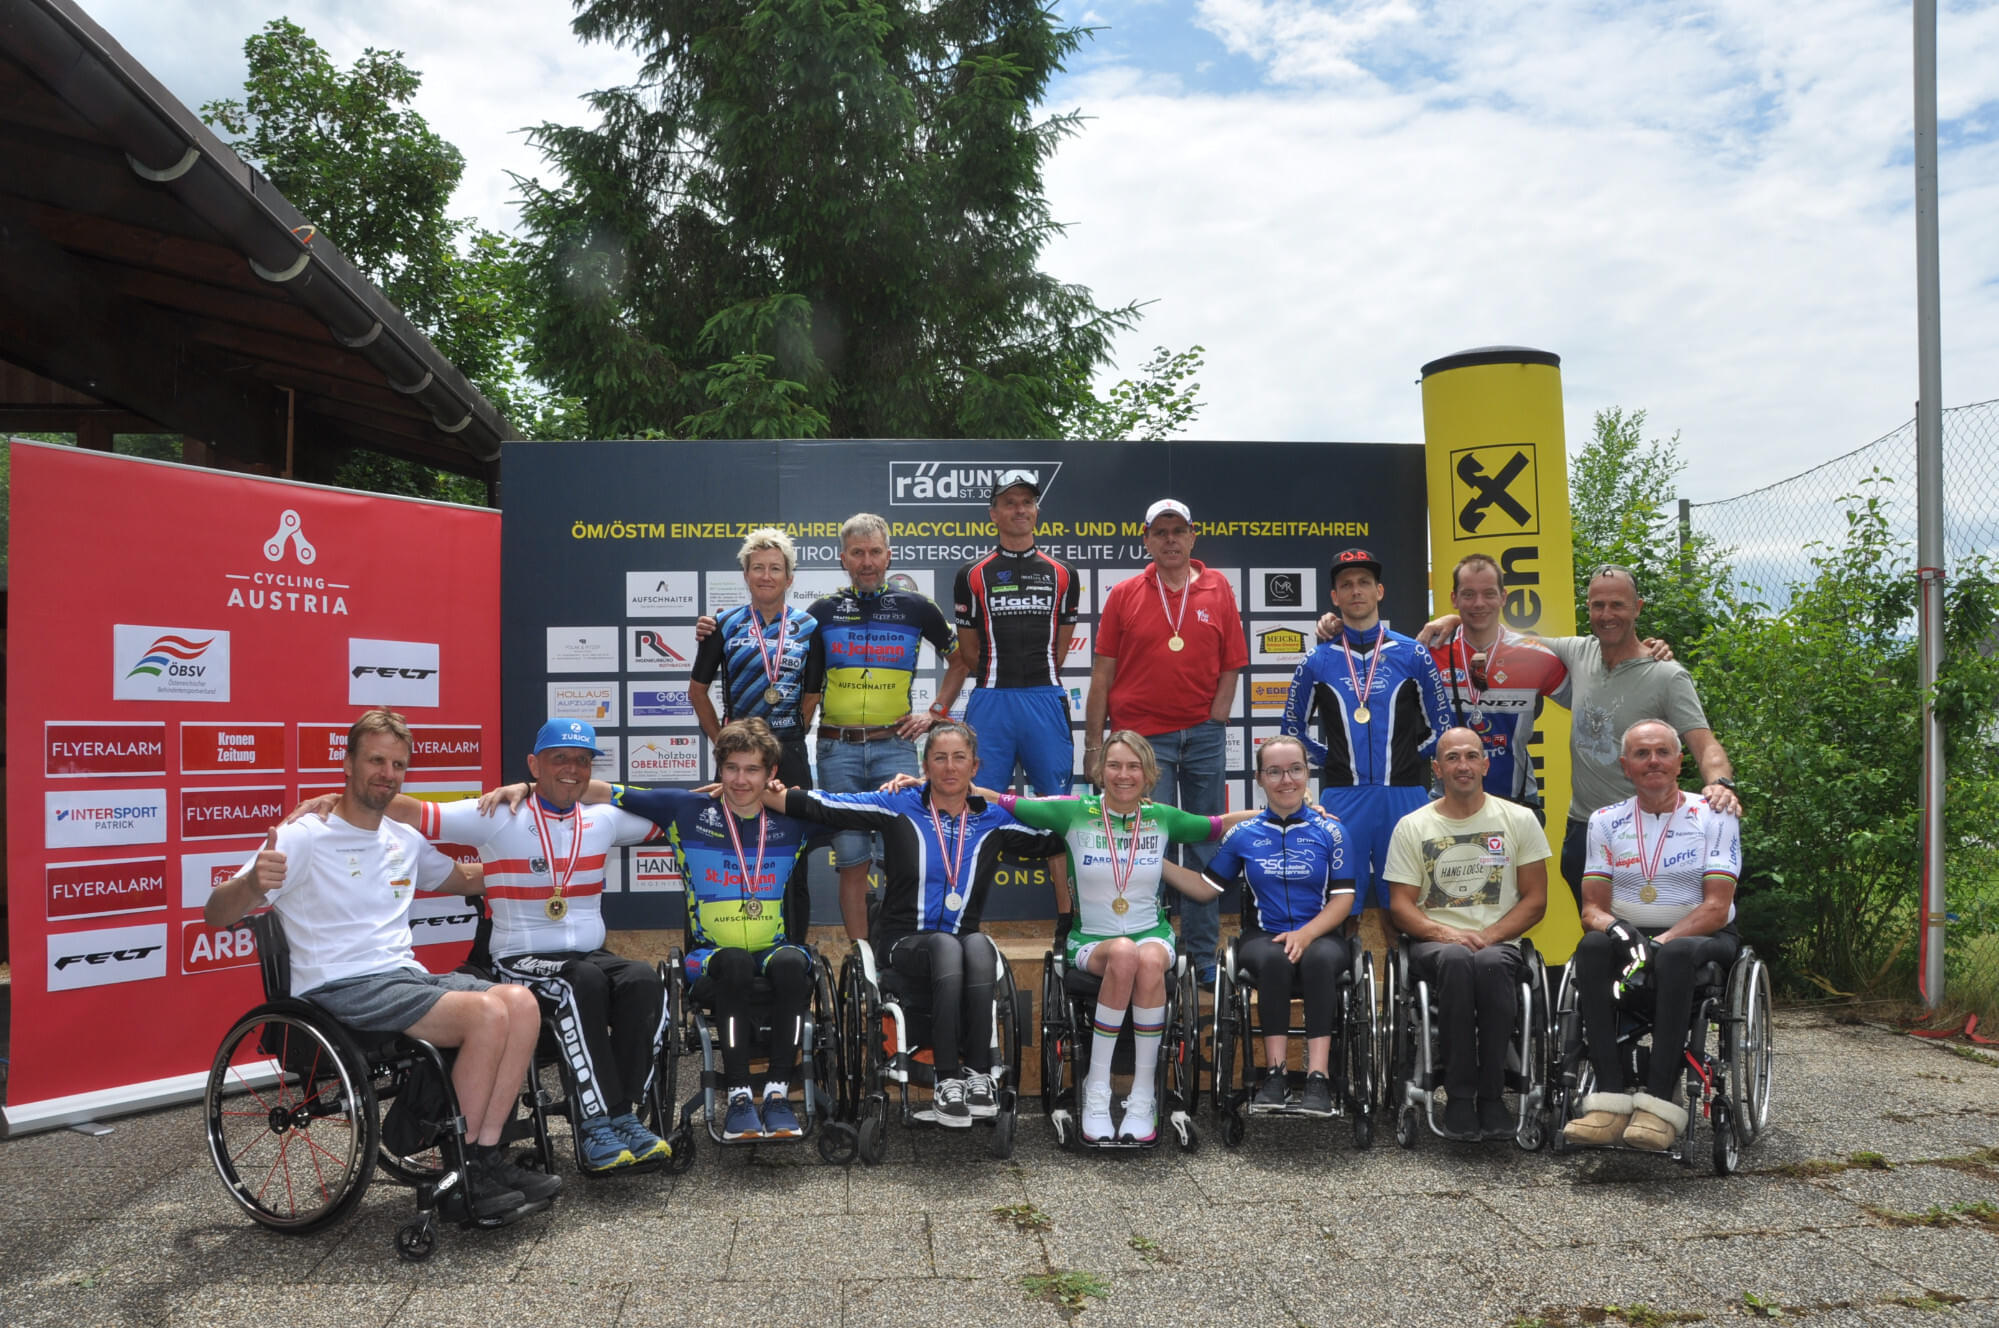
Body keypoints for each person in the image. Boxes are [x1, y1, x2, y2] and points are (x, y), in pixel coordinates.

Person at [206, 709, 553, 1218]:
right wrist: (254, 883)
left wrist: (534, 858)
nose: (386, 774)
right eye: (375, 760)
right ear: (347, 763)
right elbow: (216, 914)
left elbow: (462, 878)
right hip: (336, 988)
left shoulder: (401, 837)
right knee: (486, 1013)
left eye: (397, 764)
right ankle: (459, 1174)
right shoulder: (305, 834)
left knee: (521, 1004)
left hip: (401, 978)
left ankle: (482, 1156)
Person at [341, 717, 676, 1173]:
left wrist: (594, 788)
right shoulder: (497, 815)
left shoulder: (605, 819)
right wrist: (334, 801)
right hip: (520, 960)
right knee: (583, 982)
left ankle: (627, 1118)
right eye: (560, 759)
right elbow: (413, 811)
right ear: (534, 763)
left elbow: (679, 811)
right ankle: (597, 1124)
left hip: (588, 956)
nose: (572, 769)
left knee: (641, 979)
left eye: (581, 761)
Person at [775, 721, 1063, 1127]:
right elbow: (829, 805)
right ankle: (948, 1082)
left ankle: (978, 1077)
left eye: (959, 758)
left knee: (980, 944)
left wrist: (1106, 811)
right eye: (939, 758)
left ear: (974, 766)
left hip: (963, 944)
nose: (949, 767)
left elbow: (1059, 829)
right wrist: (771, 793)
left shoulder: (993, 819)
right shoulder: (900, 804)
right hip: (902, 942)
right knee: (948, 945)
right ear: (925, 765)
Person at [1417, 564, 1740, 908]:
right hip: (1585, 828)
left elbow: (1706, 746)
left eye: (1617, 605)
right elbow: (1494, 635)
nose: (1606, 614)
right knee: (1598, 937)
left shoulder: (1667, 675)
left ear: (1638, 608)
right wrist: (1453, 621)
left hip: (1651, 827)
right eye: (1598, 605)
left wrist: (1720, 784)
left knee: (1651, 924)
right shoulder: (1576, 652)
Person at [981, 731, 1245, 1143]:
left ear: (1149, 774)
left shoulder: (1161, 817)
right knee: (1125, 953)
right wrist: (928, 785)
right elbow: (998, 799)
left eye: (1134, 766)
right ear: (1100, 772)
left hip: (1152, 936)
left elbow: (1215, 826)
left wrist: (1292, 807)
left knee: (1150, 957)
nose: (1124, 775)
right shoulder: (1074, 812)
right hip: (1092, 941)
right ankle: (1097, 1088)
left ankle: (1143, 1095)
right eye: (1115, 765)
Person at [599, 719, 830, 1141]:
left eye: (753, 770)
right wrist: (527, 788)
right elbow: (606, 791)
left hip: (772, 950)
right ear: (719, 769)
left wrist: (796, 800)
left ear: (771, 774)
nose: (741, 780)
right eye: (732, 768)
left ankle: (777, 1093)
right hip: (707, 960)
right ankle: (740, 1095)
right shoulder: (685, 809)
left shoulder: (793, 819)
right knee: (737, 964)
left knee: (796, 962)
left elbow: (861, 811)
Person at [1084, 497, 1246, 983]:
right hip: (1142, 739)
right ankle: (1147, 949)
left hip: (1203, 735)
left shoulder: (1218, 588)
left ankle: (1200, 961)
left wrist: (1214, 721)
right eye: (1161, 531)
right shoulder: (1125, 594)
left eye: (1179, 531)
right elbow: (1102, 671)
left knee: (1201, 846)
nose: (1170, 539)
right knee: (1144, 844)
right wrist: (1096, 745)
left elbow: (1232, 663)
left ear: (1193, 536)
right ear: (1147, 539)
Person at [1563, 719, 1743, 1151]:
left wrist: (1657, 945)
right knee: (1590, 947)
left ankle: (1659, 1103)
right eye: (1641, 755)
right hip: (1630, 934)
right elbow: (1592, 909)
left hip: (1701, 936)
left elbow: (1717, 906)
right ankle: (1607, 1100)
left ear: (1680, 761)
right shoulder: (1605, 820)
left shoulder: (1715, 815)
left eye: (1663, 752)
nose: (1653, 762)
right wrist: (1620, 932)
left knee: (1676, 955)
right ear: (1626, 766)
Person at [1383, 727, 1551, 1141]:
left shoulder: (1518, 819)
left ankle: (1492, 1096)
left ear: (1485, 764)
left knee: (1490, 963)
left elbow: (1535, 900)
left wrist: (1491, 934)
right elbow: (1401, 906)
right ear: (1437, 769)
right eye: (1453, 758)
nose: (1464, 765)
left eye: (1472, 756)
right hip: (1436, 946)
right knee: (1457, 959)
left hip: (1498, 945)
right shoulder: (1412, 826)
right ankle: (1459, 1096)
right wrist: (1445, 933)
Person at [1282, 547, 1455, 923]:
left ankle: (1411, 980)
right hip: (1343, 799)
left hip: (1405, 796)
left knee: (1412, 905)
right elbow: (1291, 734)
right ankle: (1343, 978)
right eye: (1346, 585)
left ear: (1379, 591)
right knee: (1342, 907)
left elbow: (1445, 729)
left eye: (1364, 583)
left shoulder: (1414, 654)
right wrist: (1328, 758)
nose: (1355, 591)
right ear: (1335, 597)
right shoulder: (1317, 661)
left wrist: (1412, 756)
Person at [1201, 735, 1356, 1118]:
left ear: (1307, 773)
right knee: (1274, 960)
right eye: (1274, 771)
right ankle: (1275, 1075)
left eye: (1295, 769)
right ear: (1259, 778)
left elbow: (1343, 900)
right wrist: (1154, 865)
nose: (1286, 779)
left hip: (1322, 935)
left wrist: (1306, 933)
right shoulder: (1244, 834)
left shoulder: (1332, 830)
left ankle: (1318, 1077)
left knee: (1318, 958)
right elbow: (1205, 888)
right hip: (1263, 936)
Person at [951, 469, 1080, 915]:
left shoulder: (1063, 574)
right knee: (973, 810)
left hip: (1045, 697)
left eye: (1027, 502)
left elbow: (1060, 648)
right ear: (994, 514)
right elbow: (968, 652)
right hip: (991, 698)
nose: (1019, 509)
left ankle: (1068, 920)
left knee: (1060, 814)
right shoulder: (972, 575)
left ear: (1037, 512)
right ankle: (964, 916)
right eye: (1009, 502)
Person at [1428, 553, 1571, 815]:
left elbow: (1592, 695)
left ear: (1503, 597)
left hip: (1515, 802)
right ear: (1454, 599)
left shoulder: (1536, 656)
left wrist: (1639, 651)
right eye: (1468, 594)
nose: (1479, 603)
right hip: (1447, 803)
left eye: (1489, 594)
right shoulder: (1430, 653)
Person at [689, 527, 823, 789]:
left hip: (789, 751)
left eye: (775, 568)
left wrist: (791, 735)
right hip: (738, 752)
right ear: (746, 575)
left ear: (789, 578)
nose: (766, 576)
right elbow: (697, 692)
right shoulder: (723, 624)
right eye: (758, 568)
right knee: (735, 828)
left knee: (794, 827)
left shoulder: (809, 626)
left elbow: (812, 695)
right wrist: (723, 742)